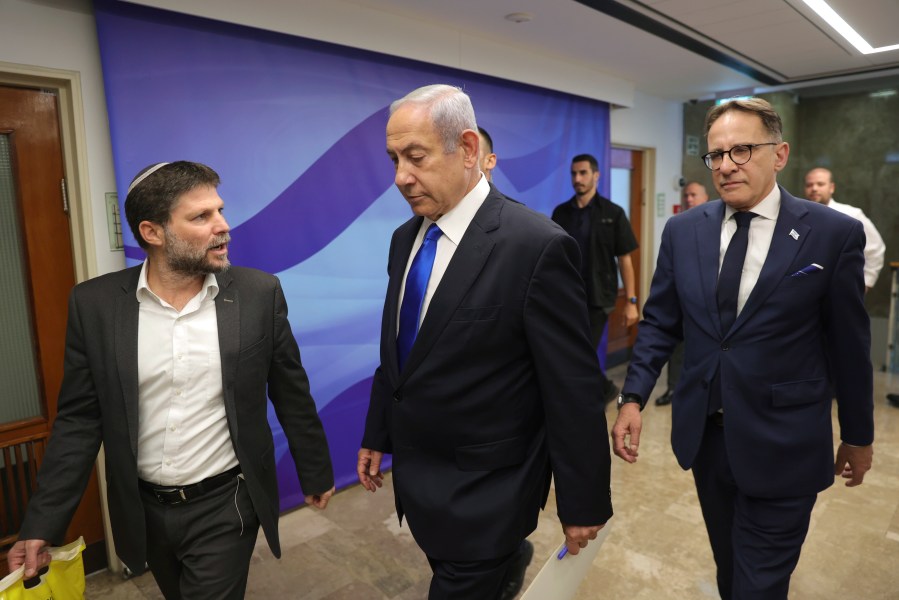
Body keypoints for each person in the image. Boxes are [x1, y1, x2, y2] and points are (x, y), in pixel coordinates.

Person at [8, 161, 335, 599]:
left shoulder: (258, 294)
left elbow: (291, 392)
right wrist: (42, 522)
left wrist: (315, 471)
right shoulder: (96, 305)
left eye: (219, 211)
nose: (224, 227)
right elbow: (80, 419)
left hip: (228, 504)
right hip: (144, 511)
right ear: (153, 232)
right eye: (201, 217)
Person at [611, 98, 874, 599]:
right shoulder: (683, 230)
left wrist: (858, 435)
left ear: (779, 154)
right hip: (708, 439)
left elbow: (849, 346)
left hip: (786, 442)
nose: (726, 164)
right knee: (730, 566)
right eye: (716, 155)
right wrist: (632, 397)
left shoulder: (831, 234)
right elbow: (662, 321)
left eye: (743, 150)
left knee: (759, 583)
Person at [357, 84, 611, 600]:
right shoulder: (405, 238)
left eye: (416, 157)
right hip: (421, 483)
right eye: (394, 159)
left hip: (487, 495)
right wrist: (377, 430)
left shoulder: (536, 246)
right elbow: (401, 348)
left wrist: (582, 502)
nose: (401, 176)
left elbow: (572, 388)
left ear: (468, 149)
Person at [551, 154, 639, 402]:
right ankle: (599, 390)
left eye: (583, 173)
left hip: (599, 297)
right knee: (571, 350)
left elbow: (625, 260)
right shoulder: (562, 213)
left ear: (596, 176)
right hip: (567, 296)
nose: (577, 179)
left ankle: (601, 392)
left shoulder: (613, 213)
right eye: (574, 174)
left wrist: (631, 301)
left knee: (582, 350)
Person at [655, 181, 709, 406]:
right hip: (680, 300)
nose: (689, 199)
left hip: (707, 304)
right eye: (686, 195)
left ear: (705, 198)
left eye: (694, 195)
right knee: (677, 349)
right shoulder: (677, 228)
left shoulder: (718, 226)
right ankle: (673, 388)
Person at [804, 167, 885, 292]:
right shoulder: (799, 216)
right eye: (809, 185)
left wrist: (865, 283)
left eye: (820, 184)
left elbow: (875, 248)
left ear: (832, 187)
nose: (814, 188)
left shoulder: (851, 215)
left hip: (843, 289)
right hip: (806, 290)